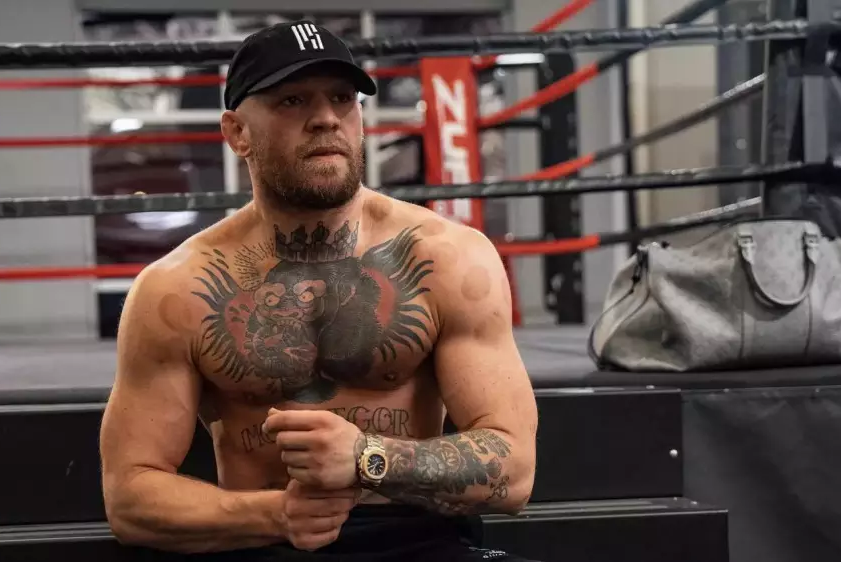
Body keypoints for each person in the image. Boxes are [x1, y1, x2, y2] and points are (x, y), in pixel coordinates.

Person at [99, 20, 539, 562]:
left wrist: (367, 457)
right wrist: (275, 515)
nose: (326, 118)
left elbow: (515, 472)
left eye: (342, 98)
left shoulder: (448, 258)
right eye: (292, 100)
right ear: (237, 133)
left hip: (420, 538)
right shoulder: (177, 288)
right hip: (261, 541)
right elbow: (130, 498)